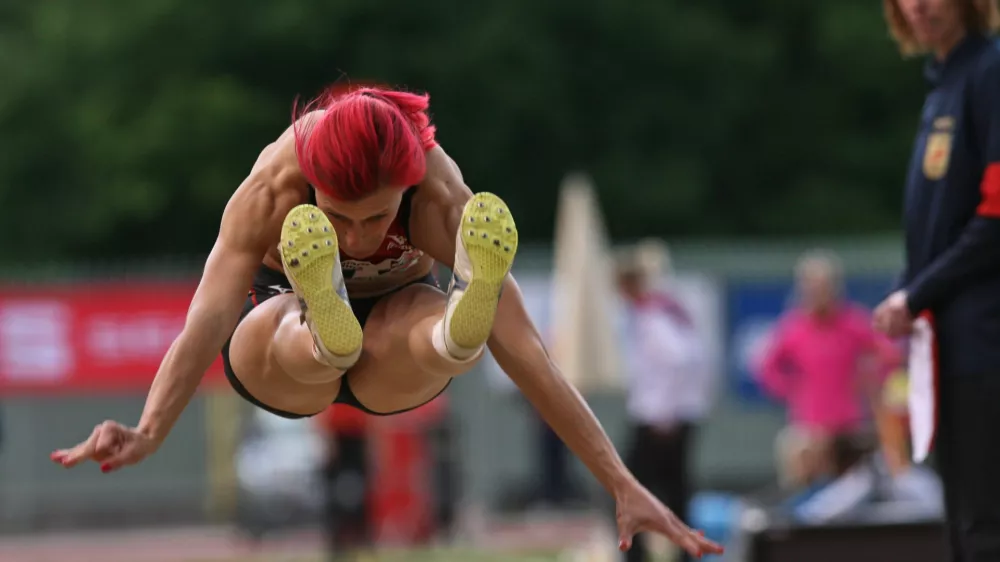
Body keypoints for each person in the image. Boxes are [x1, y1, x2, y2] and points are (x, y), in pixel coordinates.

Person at [47, 85, 722, 558]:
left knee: (434, 328)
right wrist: (149, 428)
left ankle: (451, 329)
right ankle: (326, 329)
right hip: (285, 337)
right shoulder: (271, 190)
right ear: (312, 183)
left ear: (407, 182)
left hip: (393, 347)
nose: (358, 236)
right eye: (338, 217)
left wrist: (621, 482)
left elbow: (527, 353)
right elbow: (207, 319)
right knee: (284, 328)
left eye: (376, 216)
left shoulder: (439, 195)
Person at [873, 1, 1000, 560]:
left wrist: (917, 293)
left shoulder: (990, 71)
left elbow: (996, 216)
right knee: (964, 523)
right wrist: (908, 287)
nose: (919, 5)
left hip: (985, 345)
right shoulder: (943, 84)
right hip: (949, 344)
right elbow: (942, 223)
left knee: (984, 526)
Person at [758, 251, 899, 491]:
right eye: (812, 286)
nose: (818, 293)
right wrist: (791, 390)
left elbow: (888, 354)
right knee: (796, 451)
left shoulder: (853, 322)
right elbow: (767, 368)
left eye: (824, 286)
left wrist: (870, 382)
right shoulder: (793, 327)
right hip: (810, 424)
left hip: (850, 423)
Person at [616, 241, 714, 562]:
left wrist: (665, 411)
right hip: (679, 412)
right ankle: (685, 551)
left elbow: (678, 360)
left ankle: (637, 553)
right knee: (676, 489)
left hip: (658, 417)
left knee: (629, 487)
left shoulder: (652, 316)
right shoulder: (671, 310)